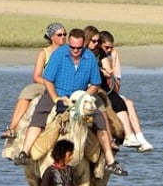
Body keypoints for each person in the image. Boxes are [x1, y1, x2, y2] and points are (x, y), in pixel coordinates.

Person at [13, 28, 127, 176]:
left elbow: (95, 83)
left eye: (79, 48)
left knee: (100, 121)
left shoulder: (89, 58)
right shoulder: (59, 55)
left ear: (83, 44)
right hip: (57, 92)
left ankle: (110, 162)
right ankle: (25, 152)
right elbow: (47, 79)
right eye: (72, 47)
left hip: (79, 94)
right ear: (69, 44)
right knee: (39, 115)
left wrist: (84, 96)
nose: (75, 51)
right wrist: (55, 98)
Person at [0, 22, 66, 139]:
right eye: (59, 35)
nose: (63, 37)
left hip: (66, 84)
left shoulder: (70, 51)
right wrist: (50, 84)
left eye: (65, 34)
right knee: (27, 92)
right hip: (46, 83)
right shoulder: (44, 53)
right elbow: (36, 77)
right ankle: (12, 128)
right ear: (52, 37)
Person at [99, 30, 153, 152]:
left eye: (111, 48)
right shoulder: (96, 56)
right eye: (106, 47)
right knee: (121, 103)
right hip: (99, 91)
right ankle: (128, 135)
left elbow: (116, 84)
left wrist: (112, 72)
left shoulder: (112, 55)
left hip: (110, 90)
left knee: (129, 103)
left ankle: (140, 138)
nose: (108, 50)